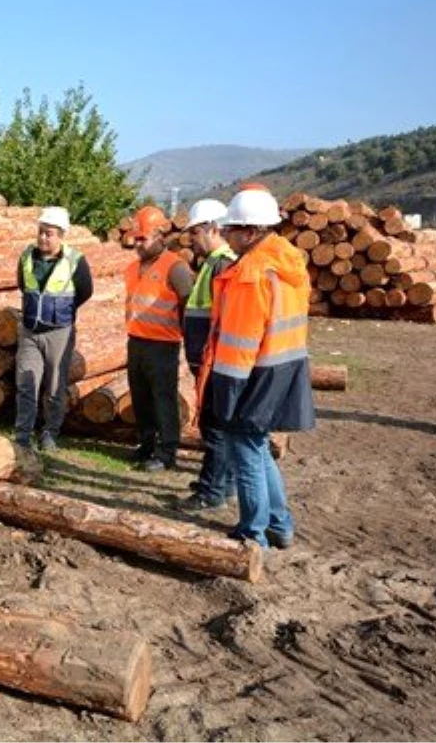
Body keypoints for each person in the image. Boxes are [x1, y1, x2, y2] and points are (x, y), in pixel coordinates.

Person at [197, 185, 315, 549]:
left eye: (231, 229)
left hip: (252, 375)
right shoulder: (288, 261)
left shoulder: (251, 273)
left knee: (245, 452)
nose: (227, 236)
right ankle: (280, 525)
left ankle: (254, 533)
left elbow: (240, 342)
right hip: (283, 368)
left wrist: (226, 394)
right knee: (259, 449)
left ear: (251, 231)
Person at [13, 206, 94, 451]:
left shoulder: (75, 261)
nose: (43, 238)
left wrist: (63, 310)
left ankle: (50, 433)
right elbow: (22, 285)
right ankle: (23, 435)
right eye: (40, 232)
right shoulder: (26, 257)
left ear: (61, 235)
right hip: (30, 331)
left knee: (55, 386)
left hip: (59, 332)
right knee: (26, 383)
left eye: (48, 233)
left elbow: (85, 291)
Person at [178, 199, 239, 510]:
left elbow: (223, 319)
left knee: (214, 427)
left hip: (214, 360)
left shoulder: (222, 264)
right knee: (217, 425)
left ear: (214, 228)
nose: (192, 238)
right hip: (207, 358)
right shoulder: (210, 263)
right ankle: (222, 483)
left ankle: (211, 492)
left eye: (196, 232)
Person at [124, 206, 194, 471]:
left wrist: (189, 338)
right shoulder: (132, 268)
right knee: (140, 397)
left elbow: (189, 304)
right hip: (136, 340)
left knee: (163, 398)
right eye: (136, 238)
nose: (137, 244)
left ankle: (167, 452)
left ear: (159, 236)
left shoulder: (175, 267)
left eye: (142, 238)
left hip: (163, 344)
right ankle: (146, 446)